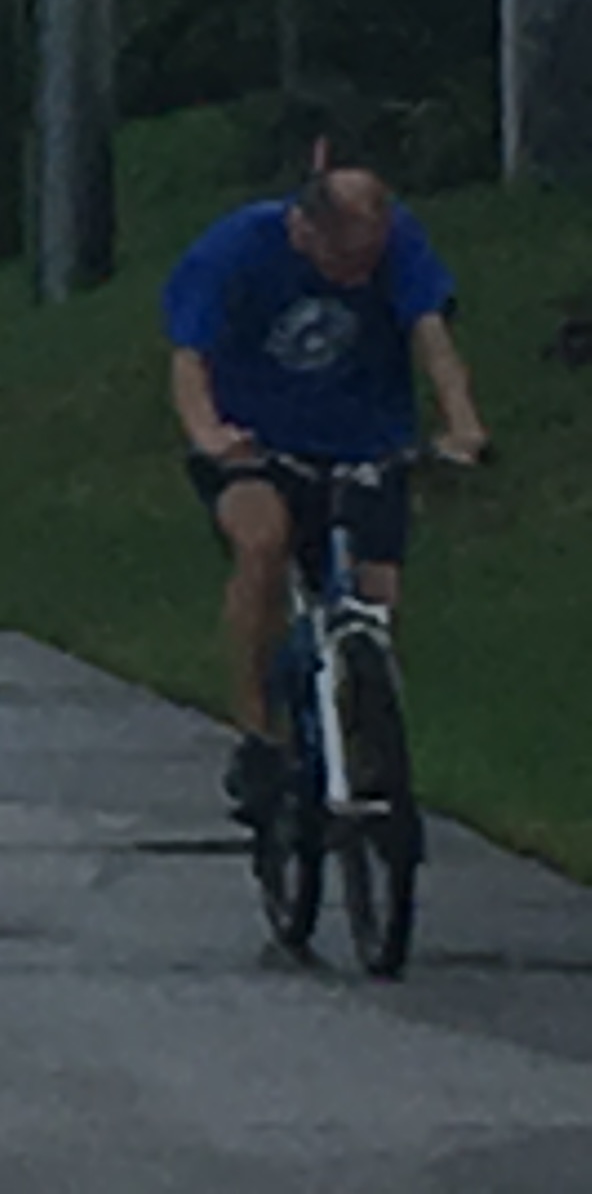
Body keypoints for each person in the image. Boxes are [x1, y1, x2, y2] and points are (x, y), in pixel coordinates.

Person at [163, 145, 490, 821]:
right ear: (304, 230)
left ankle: (371, 738)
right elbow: (190, 360)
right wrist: (210, 435)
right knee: (263, 541)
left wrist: (462, 425)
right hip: (257, 441)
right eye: (343, 263)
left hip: (366, 438)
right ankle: (258, 734)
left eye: (369, 263)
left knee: (378, 590)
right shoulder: (234, 249)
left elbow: (430, 334)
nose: (357, 277)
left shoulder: (397, 241)